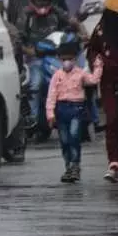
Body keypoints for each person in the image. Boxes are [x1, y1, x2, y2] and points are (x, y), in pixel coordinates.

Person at [46, 38, 103, 183]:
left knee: (74, 137)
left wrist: (98, 66)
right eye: (64, 59)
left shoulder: (81, 74)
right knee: (64, 141)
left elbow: (93, 80)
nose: (67, 62)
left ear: (75, 59)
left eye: (70, 59)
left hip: (77, 109)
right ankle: (68, 167)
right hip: (61, 110)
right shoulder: (57, 76)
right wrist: (50, 114)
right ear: (59, 59)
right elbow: (51, 96)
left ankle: (75, 166)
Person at [87, 0, 118, 182]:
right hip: (110, 81)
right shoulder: (103, 28)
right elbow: (92, 49)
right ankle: (114, 162)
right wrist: (96, 61)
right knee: (113, 119)